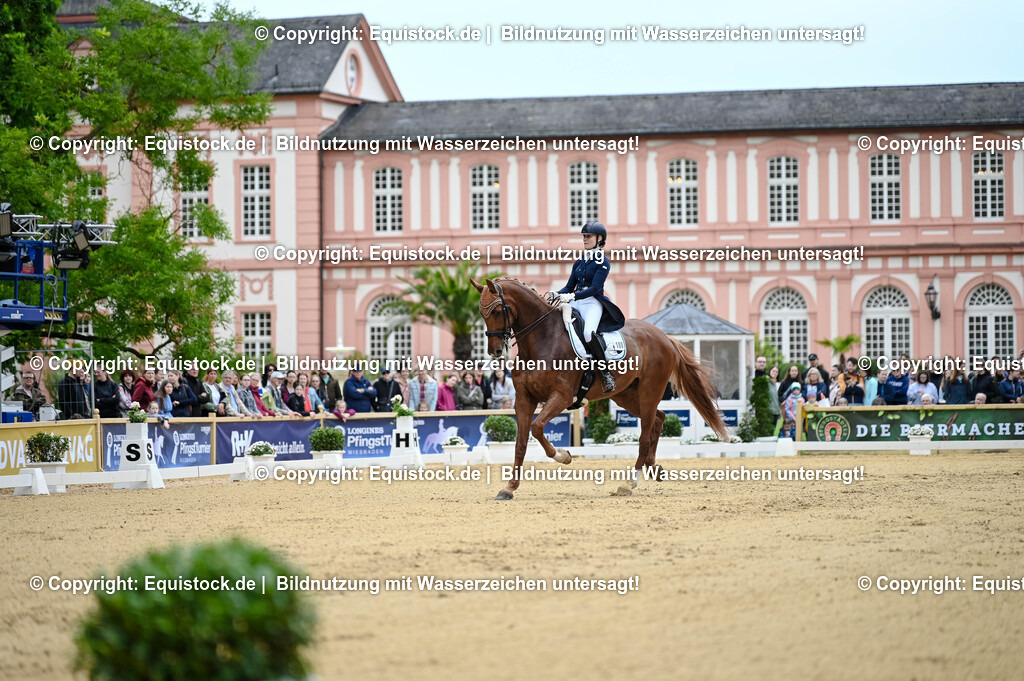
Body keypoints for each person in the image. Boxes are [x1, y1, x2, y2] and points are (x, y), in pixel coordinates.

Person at [546, 221, 626, 392]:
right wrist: (557, 293)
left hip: (592, 302)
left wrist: (572, 295)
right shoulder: (579, 262)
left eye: (588, 236)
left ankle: (606, 374)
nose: (585, 239)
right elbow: (569, 286)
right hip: (576, 302)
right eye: (584, 236)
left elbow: (595, 288)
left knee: (588, 333)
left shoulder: (603, 262)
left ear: (599, 239)